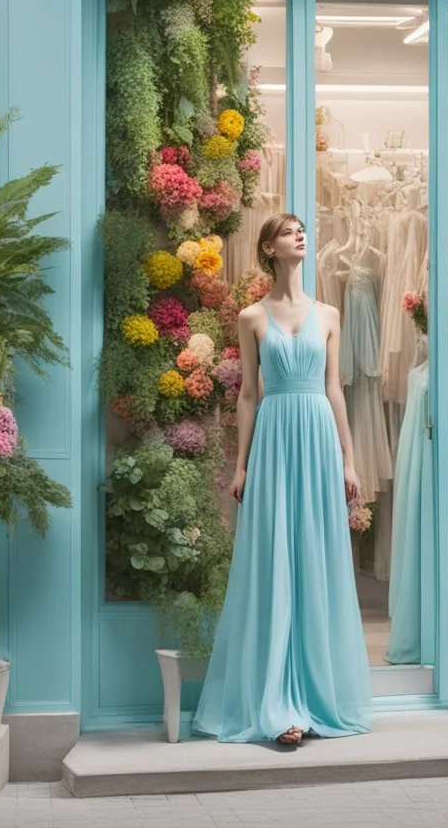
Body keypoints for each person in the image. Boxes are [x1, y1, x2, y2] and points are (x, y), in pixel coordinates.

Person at [192, 213, 373, 746]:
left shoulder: (330, 314)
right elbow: (248, 394)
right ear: (269, 248)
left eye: (301, 230)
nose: (301, 235)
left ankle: (316, 699)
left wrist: (348, 459)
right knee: (273, 560)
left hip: (317, 436)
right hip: (273, 439)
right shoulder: (251, 317)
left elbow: (335, 389)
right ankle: (277, 705)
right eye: (289, 231)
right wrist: (242, 464)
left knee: (315, 557)